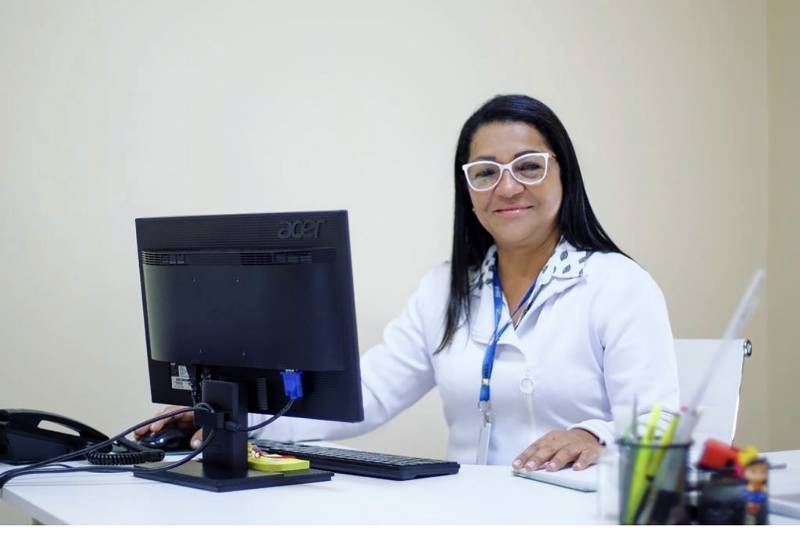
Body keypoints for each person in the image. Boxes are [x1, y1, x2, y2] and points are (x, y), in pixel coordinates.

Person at [135, 94, 679, 471]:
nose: (508, 187)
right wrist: (232, 417)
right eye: (485, 172)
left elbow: (659, 424)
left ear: (564, 175)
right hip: (469, 512)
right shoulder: (445, 291)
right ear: (469, 191)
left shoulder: (618, 285)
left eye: (529, 166)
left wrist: (593, 434)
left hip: (574, 510)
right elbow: (365, 398)